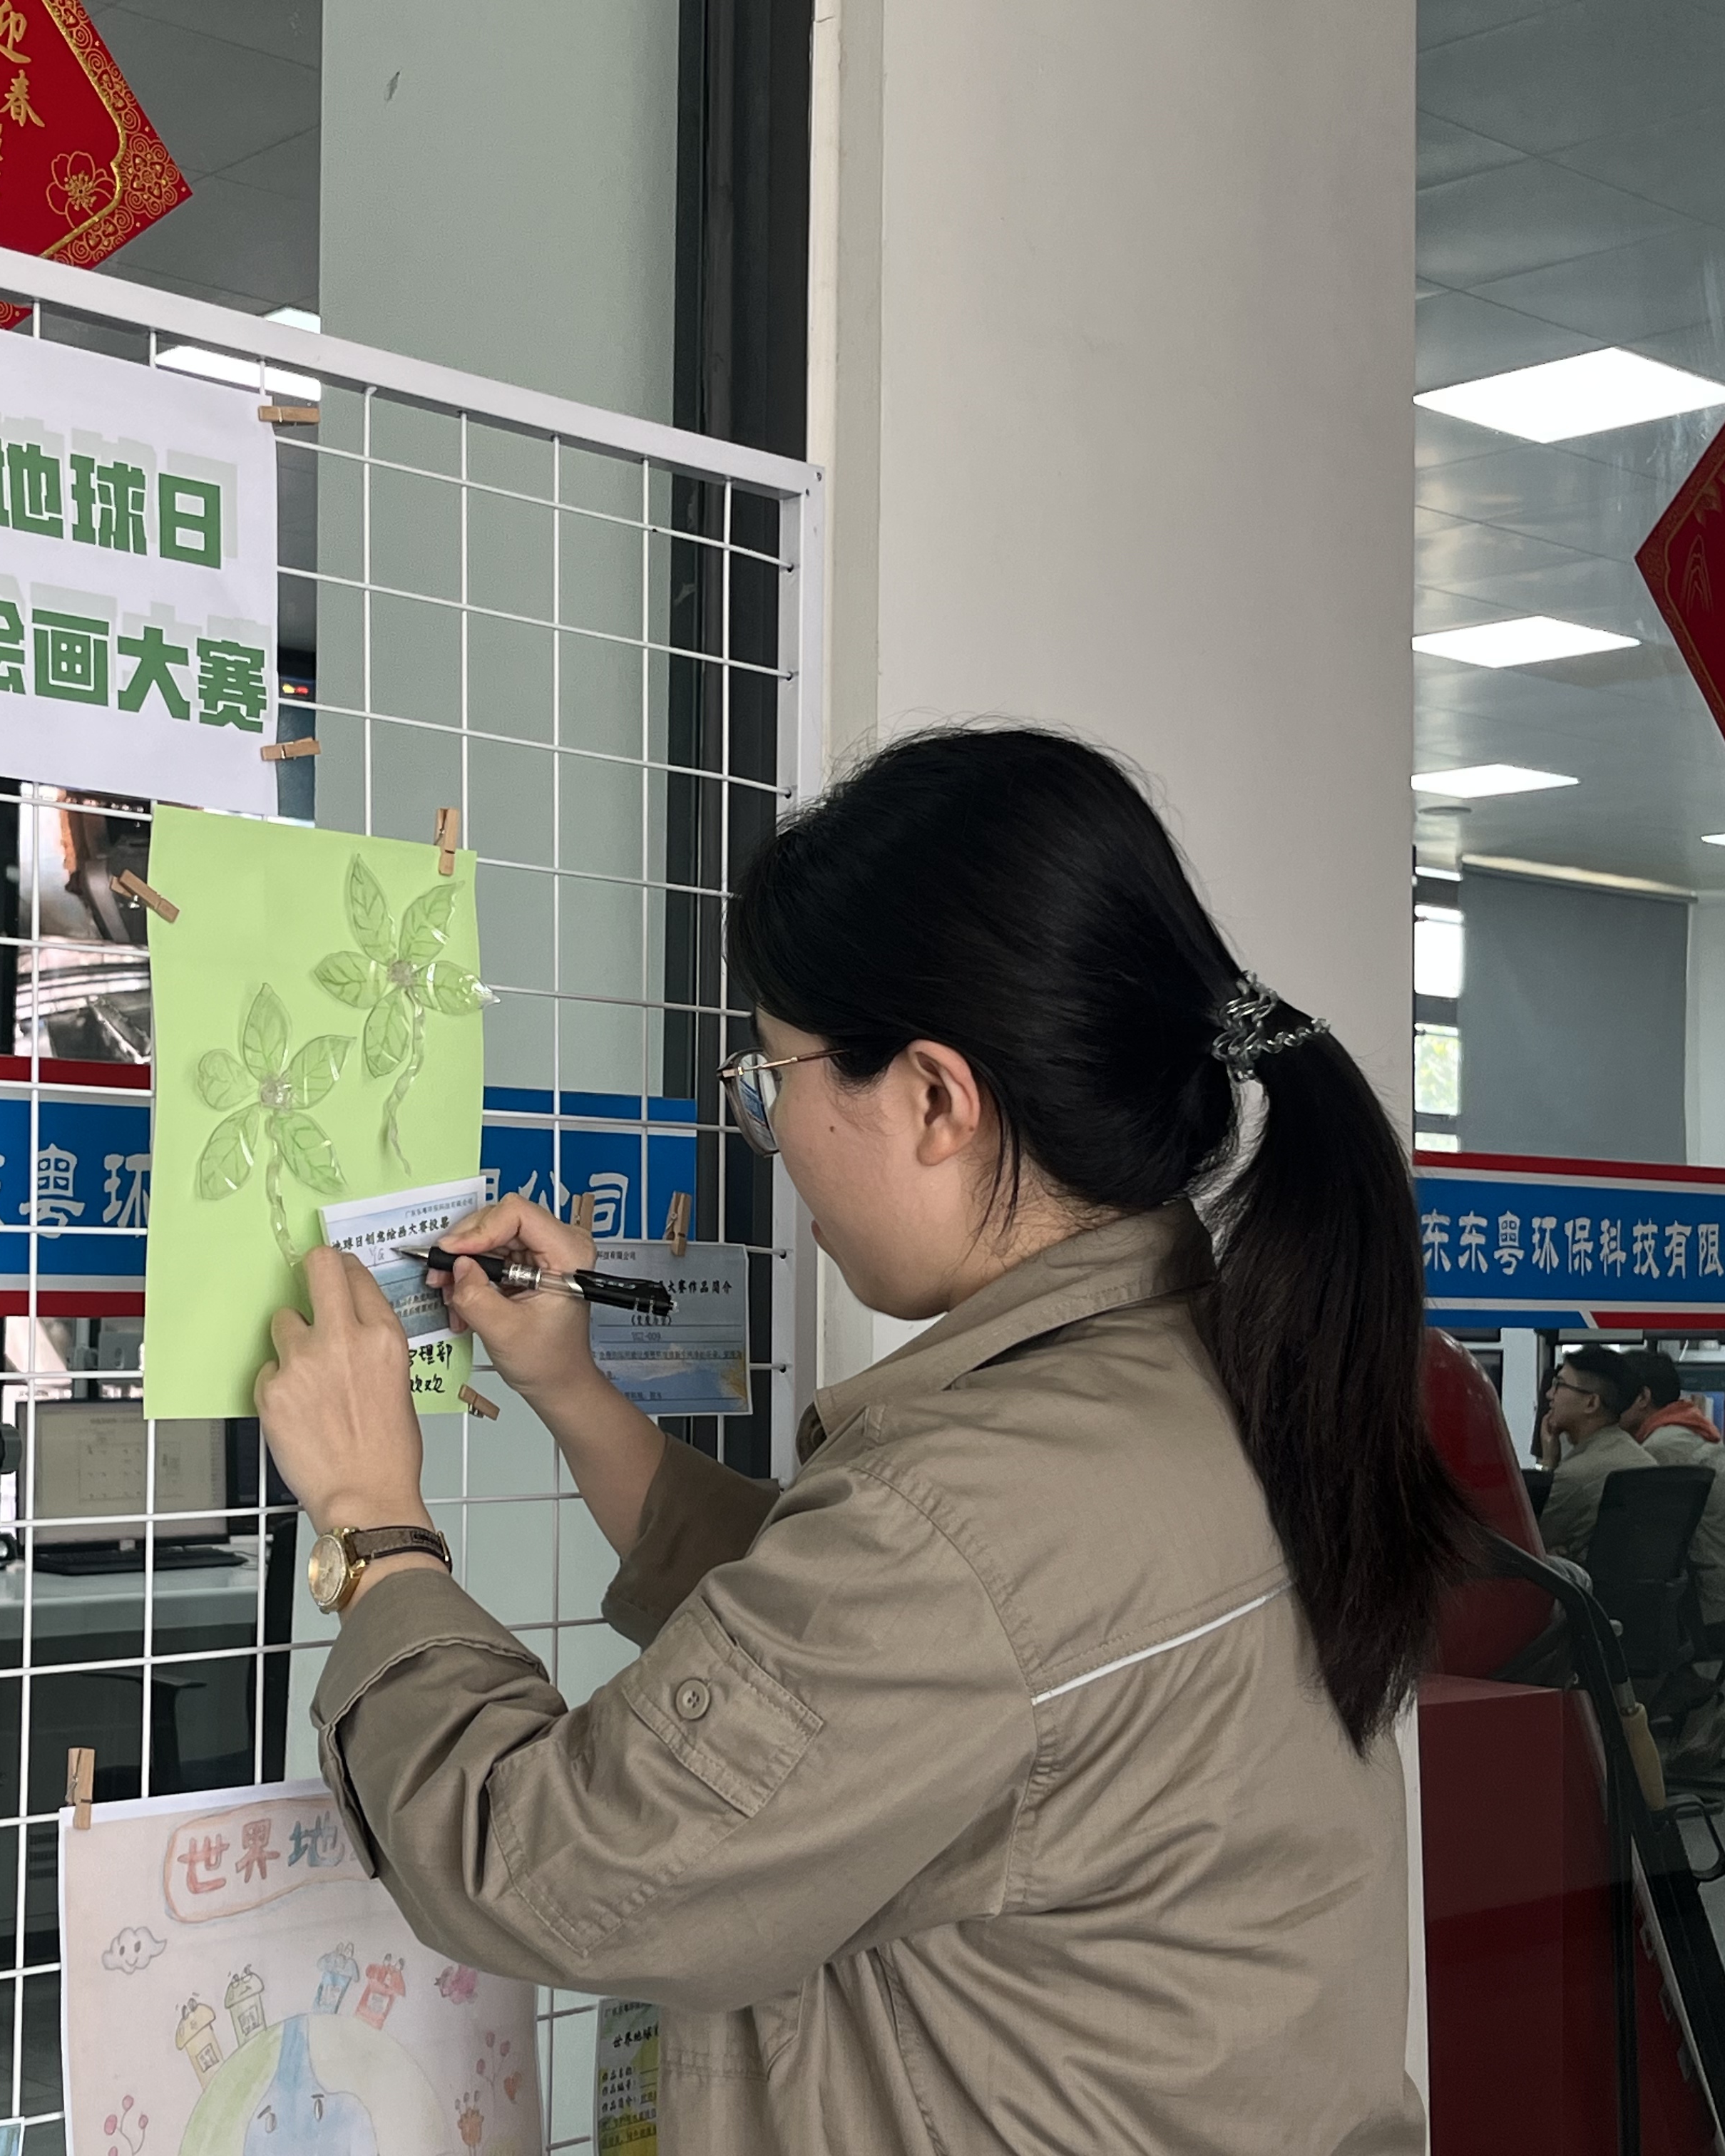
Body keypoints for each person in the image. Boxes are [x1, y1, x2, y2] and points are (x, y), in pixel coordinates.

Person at [251, 727, 1468, 2155]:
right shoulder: (1210, 1368)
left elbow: (547, 1871)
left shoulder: (974, 1508)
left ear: (937, 1097)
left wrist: (375, 1523)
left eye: (773, 1079)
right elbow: (845, 1649)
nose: (773, 1133)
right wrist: (576, 1393)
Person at [1619, 1348, 1725, 1628]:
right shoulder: (1686, 1432)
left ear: (1643, 1398)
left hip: (1717, 1605)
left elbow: (1633, 1539)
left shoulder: (1662, 1448)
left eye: (1614, 1394)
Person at [1532, 1346, 1657, 1566]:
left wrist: (1547, 1465)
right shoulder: (1643, 1460)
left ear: (1591, 1403)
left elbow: (1528, 1547)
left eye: (1559, 1384)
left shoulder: (1575, 1476)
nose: (1549, 1395)